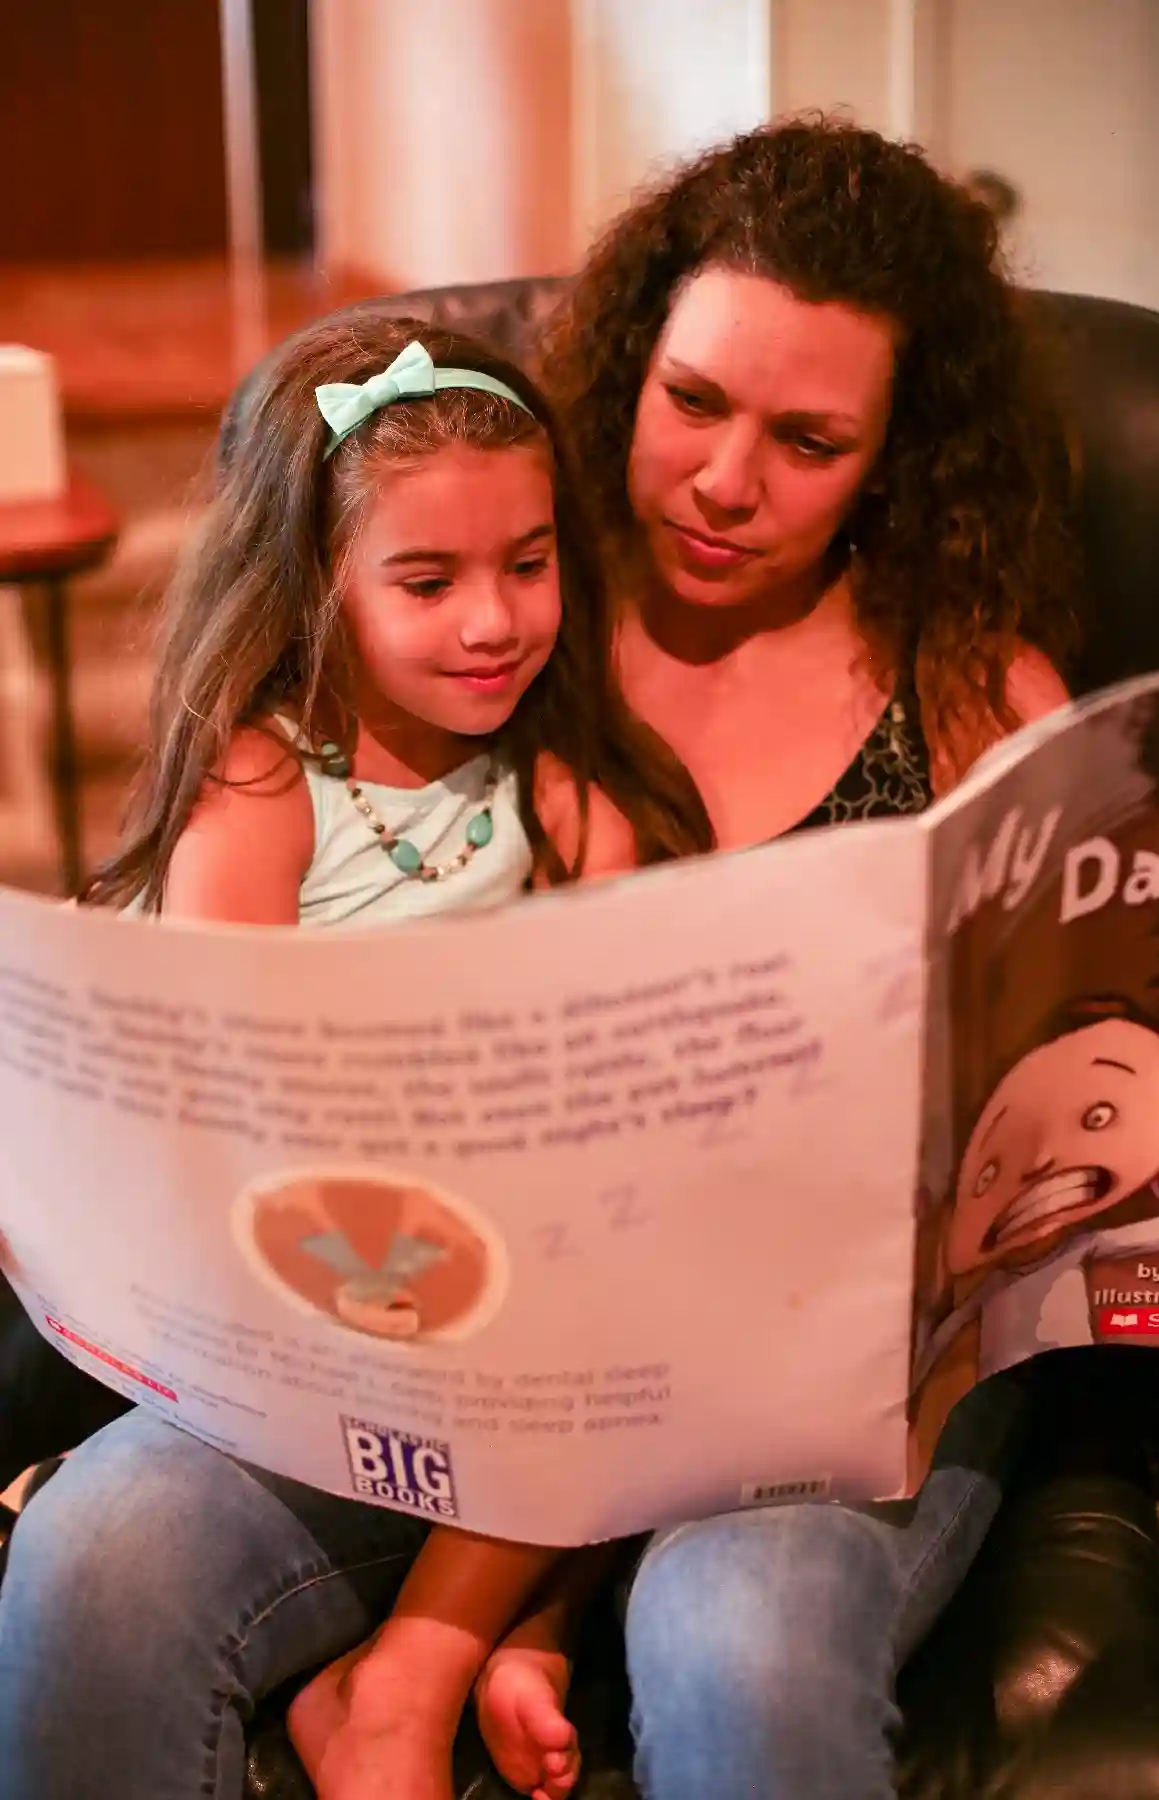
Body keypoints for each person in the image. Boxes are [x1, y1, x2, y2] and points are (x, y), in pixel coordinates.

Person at [0, 114, 1078, 1800]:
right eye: (695, 403)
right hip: (457, 1332)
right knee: (102, 1559)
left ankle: (487, 1640)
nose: (728, 481)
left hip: (824, 1381)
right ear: (630, 365)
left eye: (810, 440)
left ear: (898, 453)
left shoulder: (976, 700)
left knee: (739, 1639)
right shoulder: (501, 639)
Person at [0, 311, 705, 1800]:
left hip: (482, 1303)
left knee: (621, 1295)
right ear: (321, 583)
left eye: (529, 564)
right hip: (274, 1290)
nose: (494, 621)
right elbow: (212, 1095)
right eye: (428, 580)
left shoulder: (571, 812)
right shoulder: (265, 789)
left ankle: (475, 1651)